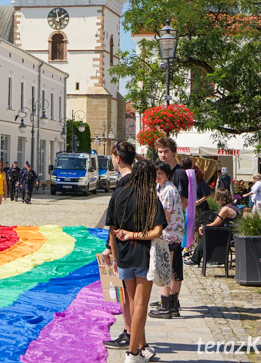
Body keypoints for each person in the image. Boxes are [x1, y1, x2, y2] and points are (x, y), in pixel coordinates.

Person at [105, 158, 166, 363]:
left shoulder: (118, 194)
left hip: (122, 256)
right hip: (142, 255)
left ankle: (142, 346)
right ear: (149, 177)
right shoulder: (150, 198)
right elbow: (157, 231)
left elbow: (112, 231)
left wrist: (113, 256)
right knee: (140, 304)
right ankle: (132, 354)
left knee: (131, 303)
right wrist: (134, 234)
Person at [102, 141, 136, 351]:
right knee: (131, 295)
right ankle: (130, 332)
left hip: (125, 247)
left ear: (118, 158)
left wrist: (110, 248)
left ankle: (130, 332)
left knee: (126, 294)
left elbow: (115, 222)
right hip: (136, 244)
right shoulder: (140, 181)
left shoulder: (123, 186)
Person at [149, 161, 186, 320]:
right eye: (155, 174)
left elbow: (165, 213)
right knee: (169, 269)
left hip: (168, 234)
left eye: (160, 174)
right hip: (170, 233)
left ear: (167, 175)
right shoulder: (162, 188)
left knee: (165, 268)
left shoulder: (169, 190)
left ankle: (166, 307)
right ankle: (172, 306)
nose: (157, 176)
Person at [185, 189, 240, 267]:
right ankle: (198, 258)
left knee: (207, 237)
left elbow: (215, 224)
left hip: (228, 234)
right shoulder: (234, 207)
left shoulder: (225, 209)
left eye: (216, 197)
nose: (215, 199)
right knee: (208, 235)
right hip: (232, 232)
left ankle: (195, 259)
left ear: (220, 198)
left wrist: (203, 227)